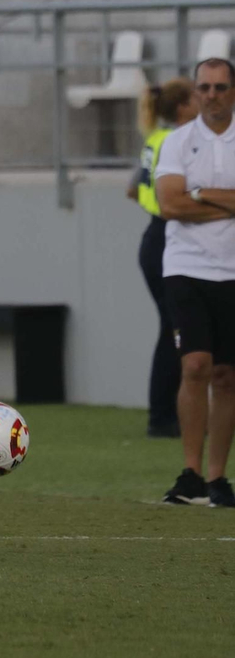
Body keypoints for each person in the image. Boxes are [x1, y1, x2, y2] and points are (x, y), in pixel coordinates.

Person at [154, 57, 235, 507]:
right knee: (196, 365)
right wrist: (226, 202)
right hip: (186, 267)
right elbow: (170, 205)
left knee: (226, 376)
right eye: (204, 87)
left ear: (232, 90)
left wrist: (199, 194)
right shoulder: (178, 141)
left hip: (232, 270)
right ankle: (191, 473)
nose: (211, 95)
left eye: (220, 87)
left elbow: (185, 201)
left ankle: (218, 478)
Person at [130, 79, 200, 438]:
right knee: (174, 328)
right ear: (183, 107)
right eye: (196, 96)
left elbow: (133, 189)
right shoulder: (177, 142)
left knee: (175, 328)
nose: (204, 100)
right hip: (166, 239)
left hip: (156, 237)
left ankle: (168, 413)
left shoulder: (157, 139)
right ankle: (161, 416)